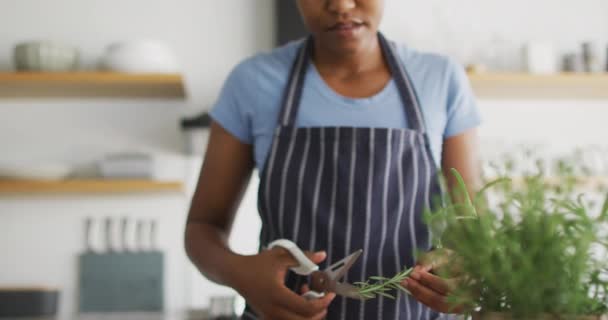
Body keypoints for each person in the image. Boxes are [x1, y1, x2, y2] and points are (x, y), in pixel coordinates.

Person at [185, 0, 481, 319]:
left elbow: (475, 225)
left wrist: (467, 265)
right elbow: (202, 227)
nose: (340, 4)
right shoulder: (252, 82)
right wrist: (240, 273)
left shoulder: (440, 79)